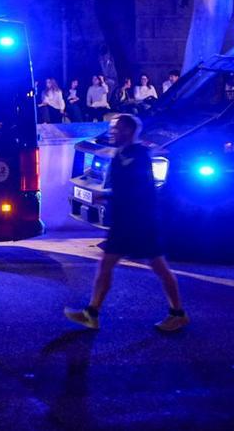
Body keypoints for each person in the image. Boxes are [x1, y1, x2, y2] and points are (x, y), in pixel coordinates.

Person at [64, 114, 187, 333]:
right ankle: (91, 313)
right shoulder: (121, 153)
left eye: (117, 129)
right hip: (125, 223)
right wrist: (109, 197)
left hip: (140, 223)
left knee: (159, 267)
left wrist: (112, 198)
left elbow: (142, 191)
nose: (112, 132)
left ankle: (177, 314)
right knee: (106, 265)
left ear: (129, 132)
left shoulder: (139, 156)